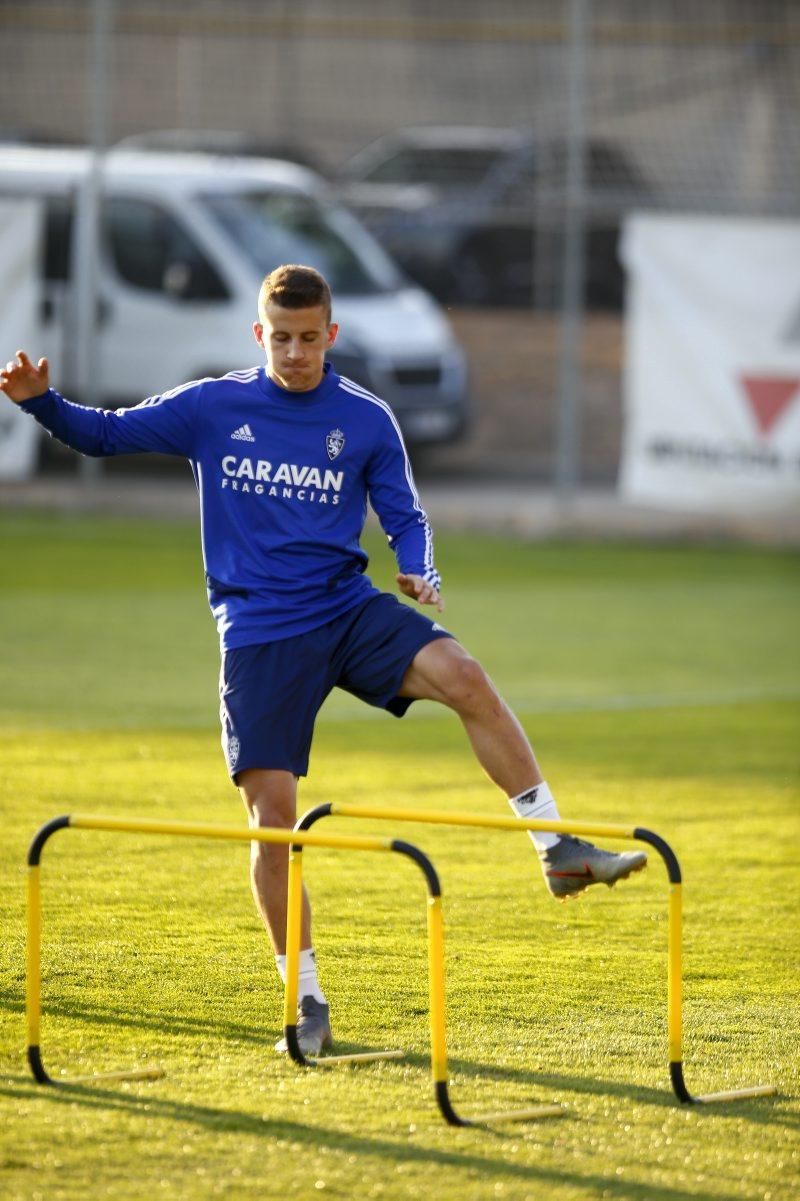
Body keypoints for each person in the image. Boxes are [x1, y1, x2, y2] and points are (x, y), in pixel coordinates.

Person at [1, 263, 646, 1056]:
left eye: (310, 339)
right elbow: (105, 434)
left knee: (467, 678)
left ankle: (558, 850)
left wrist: (419, 567)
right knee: (274, 823)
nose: (297, 353)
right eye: (282, 338)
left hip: (345, 608)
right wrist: (40, 403)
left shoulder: (366, 419)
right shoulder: (213, 406)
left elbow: (405, 514)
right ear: (258, 334)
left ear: (331, 335)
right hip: (260, 633)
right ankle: (305, 1002)